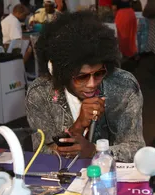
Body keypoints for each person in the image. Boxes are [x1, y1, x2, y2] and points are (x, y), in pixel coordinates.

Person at [25, 11, 145, 162]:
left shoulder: (124, 86)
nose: (92, 83)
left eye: (99, 73)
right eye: (82, 77)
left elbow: (137, 150)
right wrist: (79, 125)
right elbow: (40, 154)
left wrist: (95, 151)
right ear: (59, 73)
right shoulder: (40, 93)